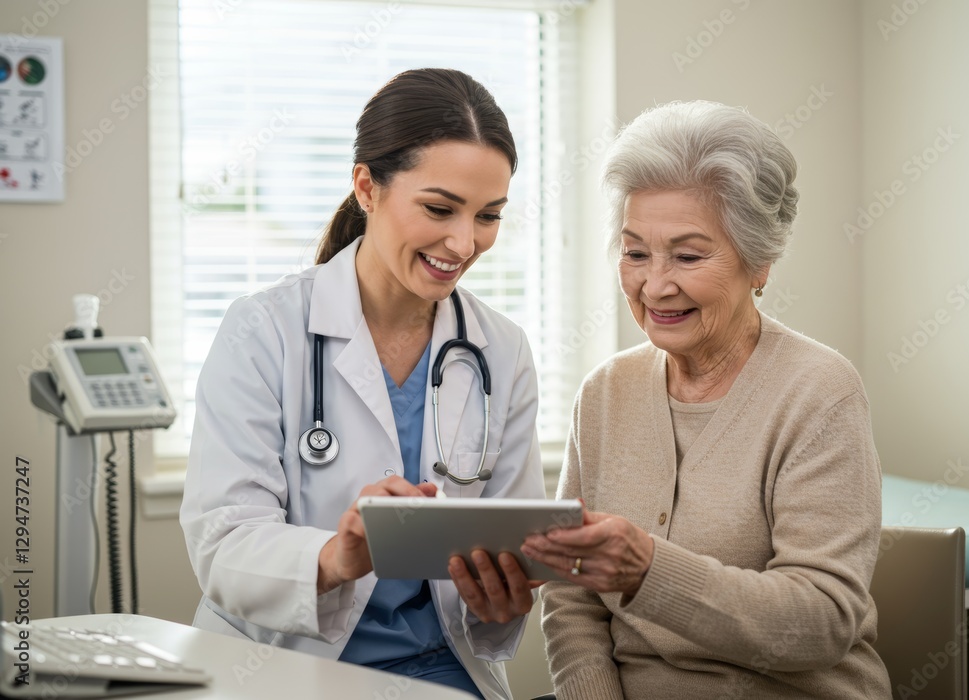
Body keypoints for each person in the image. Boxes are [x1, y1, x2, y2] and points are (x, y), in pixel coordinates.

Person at [180, 68, 545, 700]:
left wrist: (504, 594)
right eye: (438, 208)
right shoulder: (263, 331)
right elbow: (223, 544)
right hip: (283, 672)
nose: (464, 242)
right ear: (366, 187)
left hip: (443, 675)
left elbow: (511, 547)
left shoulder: (502, 351)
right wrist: (335, 557)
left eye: (488, 216)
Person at [522, 101, 892, 699]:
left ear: (760, 261)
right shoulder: (604, 394)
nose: (655, 284)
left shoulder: (820, 391)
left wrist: (649, 571)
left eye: (689, 256)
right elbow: (572, 596)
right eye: (636, 252)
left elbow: (821, 621)